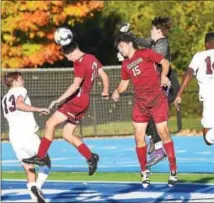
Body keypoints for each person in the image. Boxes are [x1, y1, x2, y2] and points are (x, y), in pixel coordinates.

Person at [22, 42, 110, 176]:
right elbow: (104, 75)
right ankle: (91, 157)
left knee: (50, 123)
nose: (68, 59)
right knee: (67, 134)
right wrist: (105, 91)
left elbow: (75, 85)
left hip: (77, 99)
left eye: (67, 56)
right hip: (85, 100)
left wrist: (59, 100)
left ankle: (40, 156)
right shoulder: (91, 58)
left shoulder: (79, 62)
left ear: (72, 52)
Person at [112, 34, 178, 187]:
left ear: (129, 44)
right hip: (141, 103)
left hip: (157, 99)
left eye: (121, 46)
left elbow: (165, 62)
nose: (120, 50)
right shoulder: (125, 65)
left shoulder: (145, 53)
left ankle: (173, 170)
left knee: (163, 132)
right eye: (118, 48)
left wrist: (163, 76)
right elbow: (123, 84)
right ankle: (144, 171)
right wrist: (117, 91)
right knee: (138, 137)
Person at [119, 16, 180, 167]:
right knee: (145, 116)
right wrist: (128, 34)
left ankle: (159, 149)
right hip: (159, 86)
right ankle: (155, 142)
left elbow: (151, 59)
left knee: (152, 116)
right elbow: (141, 43)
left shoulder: (162, 44)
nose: (150, 32)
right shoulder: (154, 43)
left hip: (167, 84)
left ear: (158, 31)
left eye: (152, 29)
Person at [2, 72, 51, 203]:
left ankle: (35, 197)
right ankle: (37, 187)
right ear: (16, 80)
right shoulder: (20, 89)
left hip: (14, 137)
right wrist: (38, 109)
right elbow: (19, 104)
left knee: (30, 170)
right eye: (21, 79)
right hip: (27, 134)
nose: (23, 81)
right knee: (46, 161)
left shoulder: (4, 98)